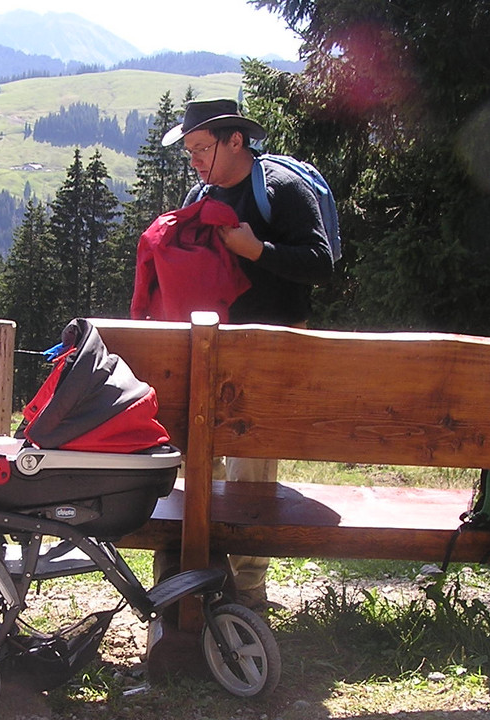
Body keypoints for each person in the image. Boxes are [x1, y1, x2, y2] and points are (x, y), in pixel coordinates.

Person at [159, 99, 335, 610]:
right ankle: (203, 574)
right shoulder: (201, 195)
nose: (194, 159)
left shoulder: (281, 188)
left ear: (235, 140)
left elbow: (321, 263)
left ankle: (248, 590)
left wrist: (256, 250)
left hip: (267, 353)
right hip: (211, 351)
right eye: (189, 150)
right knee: (200, 461)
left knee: (250, 468)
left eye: (201, 148)